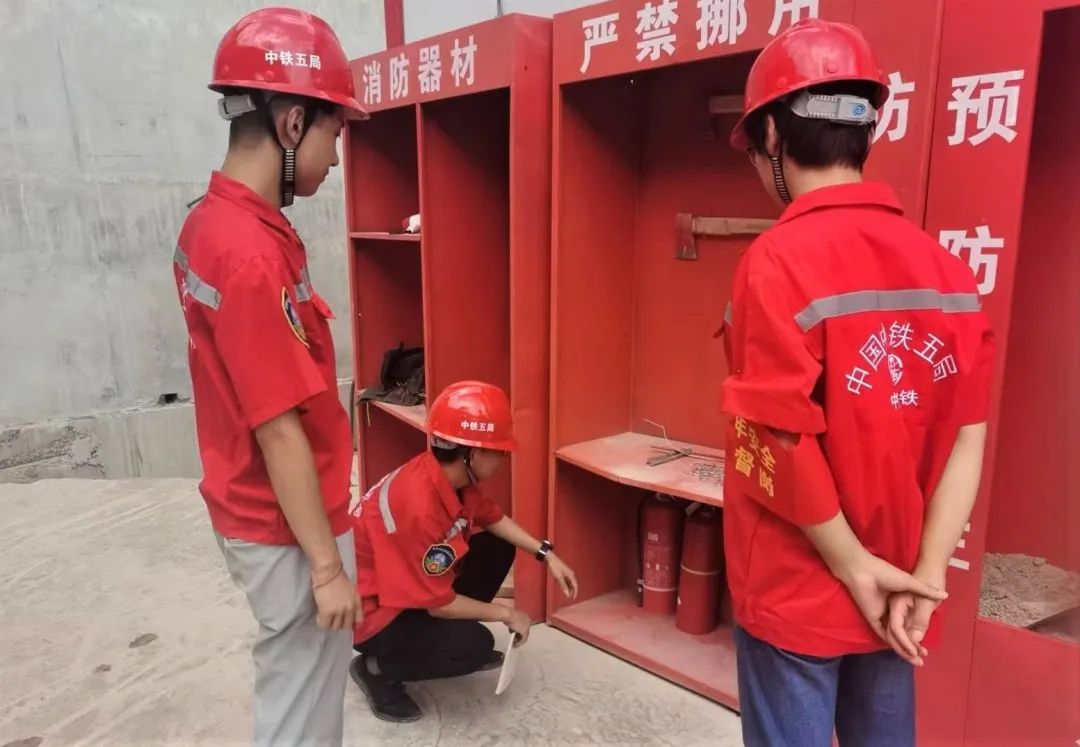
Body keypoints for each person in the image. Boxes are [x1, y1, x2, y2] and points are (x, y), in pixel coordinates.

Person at [719, 19, 994, 747]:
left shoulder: (775, 262)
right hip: (897, 591)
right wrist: (922, 579)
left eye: (754, 148)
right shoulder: (946, 271)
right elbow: (968, 435)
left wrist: (852, 566)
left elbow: (778, 436)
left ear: (772, 134)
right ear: (865, 127)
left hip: (799, 587)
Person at [171, 8, 369, 745]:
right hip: (286, 522)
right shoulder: (251, 254)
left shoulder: (211, 222)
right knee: (301, 709)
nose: (336, 159)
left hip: (254, 504)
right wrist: (326, 568)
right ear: (292, 123)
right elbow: (278, 426)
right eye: (334, 136)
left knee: (297, 690)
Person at [348, 381, 579, 722]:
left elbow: (492, 517)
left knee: (498, 546)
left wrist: (545, 553)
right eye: (499, 452)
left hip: (405, 587)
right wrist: (507, 614)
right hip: (374, 617)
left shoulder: (447, 478)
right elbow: (439, 606)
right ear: (472, 453)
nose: (503, 459)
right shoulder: (418, 507)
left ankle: (436, 639)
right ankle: (376, 668)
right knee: (472, 646)